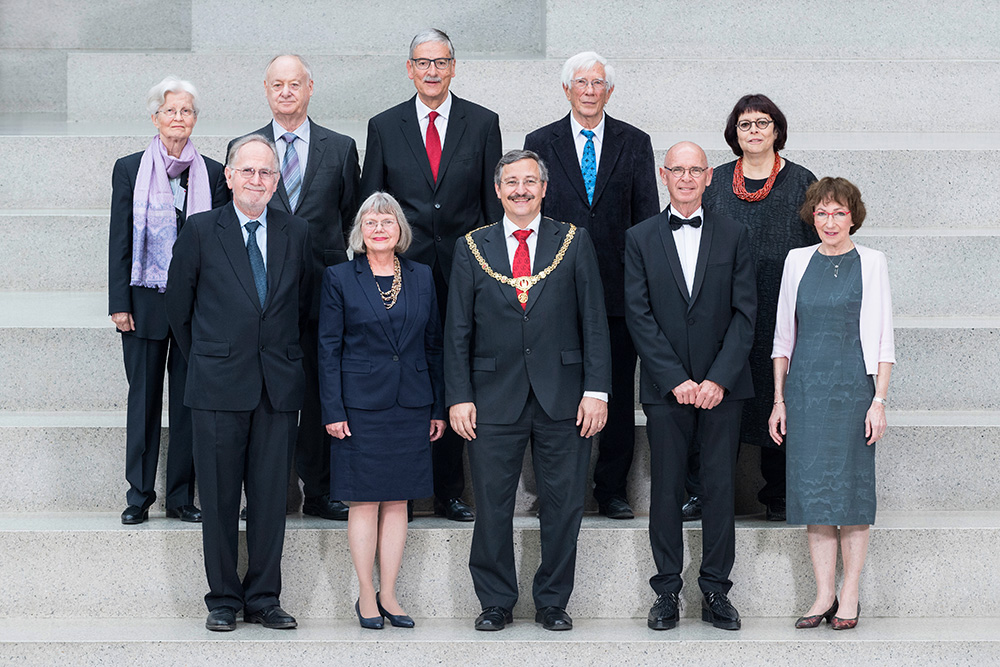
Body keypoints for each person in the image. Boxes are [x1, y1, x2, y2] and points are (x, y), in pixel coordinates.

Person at [445, 149, 611, 632]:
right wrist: (459, 395)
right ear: (497, 190)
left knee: (564, 504)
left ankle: (553, 602)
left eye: (530, 181)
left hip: (566, 395)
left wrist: (596, 391)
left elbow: (595, 322)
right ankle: (495, 600)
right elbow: (457, 329)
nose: (521, 189)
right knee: (492, 505)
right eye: (511, 182)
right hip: (492, 396)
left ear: (544, 188)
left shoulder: (574, 241)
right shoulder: (471, 246)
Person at [165, 135, 311, 632]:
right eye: (246, 171)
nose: (256, 180)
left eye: (266, 173)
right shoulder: (202, 230)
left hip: (277, 387)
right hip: (217, 385)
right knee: (221, 498)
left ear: (277, 180)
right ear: (227, 176)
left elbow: (305, 310)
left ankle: (265, 597)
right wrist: (211, 359)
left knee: (271, 500)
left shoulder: (297, 231)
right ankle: (223, 599)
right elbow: (178, 311)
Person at [361, 28, 503, 522]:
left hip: (464, 270)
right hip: (403, 273)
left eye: (441, 62)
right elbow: (371, 205)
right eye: (423, 62)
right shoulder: (384, 125)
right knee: (409, 370)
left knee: (454, 369)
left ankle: (450, 489)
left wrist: (491, 273)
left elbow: (491, 208)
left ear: (454, 66)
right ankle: (405, 485)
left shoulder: (484, 123)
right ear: (409, 68)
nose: (432, 70)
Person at [523, 51, 660, 520]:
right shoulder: (539, 141)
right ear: (566, 89)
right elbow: (529, 217)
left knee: (617, 393)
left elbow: (646, 222)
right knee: (556, 392)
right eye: (580, 82)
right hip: (555, 290)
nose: (588, 89)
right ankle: (559, 489)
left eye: (597, 82)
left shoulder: (635, 142)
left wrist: (643, 290)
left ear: (609, 90)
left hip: (620, 292)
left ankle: (612, 489)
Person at [624, 142, 756, 631]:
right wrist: (676, 378)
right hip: (666, 388)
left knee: (721, 489)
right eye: (676, 169)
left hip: (724, 387)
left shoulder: (735, 234)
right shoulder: (639, 237)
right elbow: (638, 315)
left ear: (709, 177)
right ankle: (666, 592)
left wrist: (717, 379)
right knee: (666, 491)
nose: (685, 177)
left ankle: (717, 592)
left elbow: (746, 315)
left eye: (694, 169)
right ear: (664, 175)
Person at [230, 54, 361, 521]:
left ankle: (321, 490)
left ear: (310, 87)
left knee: (320, 391)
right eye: (278, 84)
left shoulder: (341, 147)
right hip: (264, 295)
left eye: (295, 84)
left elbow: (349, 220)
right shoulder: (245, 148)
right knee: (267, 396)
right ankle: (270, 495)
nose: (286, 92)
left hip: (324, 292)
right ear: (266, 89)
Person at [769, 177, 894, 631]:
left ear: (853, 217)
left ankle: (850, 593)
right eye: (822, 213)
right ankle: (823, 593)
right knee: (814, 496)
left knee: (852, 496)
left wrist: (878, 400)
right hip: (805, 392)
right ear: (812, 218)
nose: (830, 221)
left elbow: (884, 340)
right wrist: (779, 400)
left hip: (853, 391)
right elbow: (783, 337)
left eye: (839, 212)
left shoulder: (873, 262)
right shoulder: (796, 261)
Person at [318, 192, 445, 629]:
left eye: (387, 221)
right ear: (359, 231)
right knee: (364, 501)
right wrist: (332, 409)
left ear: (400, 230)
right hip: (359, 407)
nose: (378, 228)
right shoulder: (339, 277)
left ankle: (389, 592)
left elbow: (434, 345)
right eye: (370, 222)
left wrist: (438, 407)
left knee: (398, 502)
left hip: (411, 403)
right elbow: (328, 348)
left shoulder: (423, 276)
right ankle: (365, 595)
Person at [108, 76, 229, 525]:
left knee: (187, 404)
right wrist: (119, 302)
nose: (179, 118)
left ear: (195, 119)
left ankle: (181, 496)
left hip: (195, 309)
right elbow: (119, 239)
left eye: (187, 111)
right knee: (143, 400)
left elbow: (217, 249)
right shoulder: (129, 168)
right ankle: (138, 495)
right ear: (155, 117)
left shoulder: (214, 173)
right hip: (141, 304)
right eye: (171, 110)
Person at [694, 93, 817, 523]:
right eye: (745, 124)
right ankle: (703, 491)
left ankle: (778, 493)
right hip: (720, 307)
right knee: (713, 393)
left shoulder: (803, 182)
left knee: (774, 393)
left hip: (783, 305)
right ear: (734, 133)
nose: (754, 131)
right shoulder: (715, 180)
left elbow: (821, 243)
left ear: (777, 130)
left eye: (763, 122)